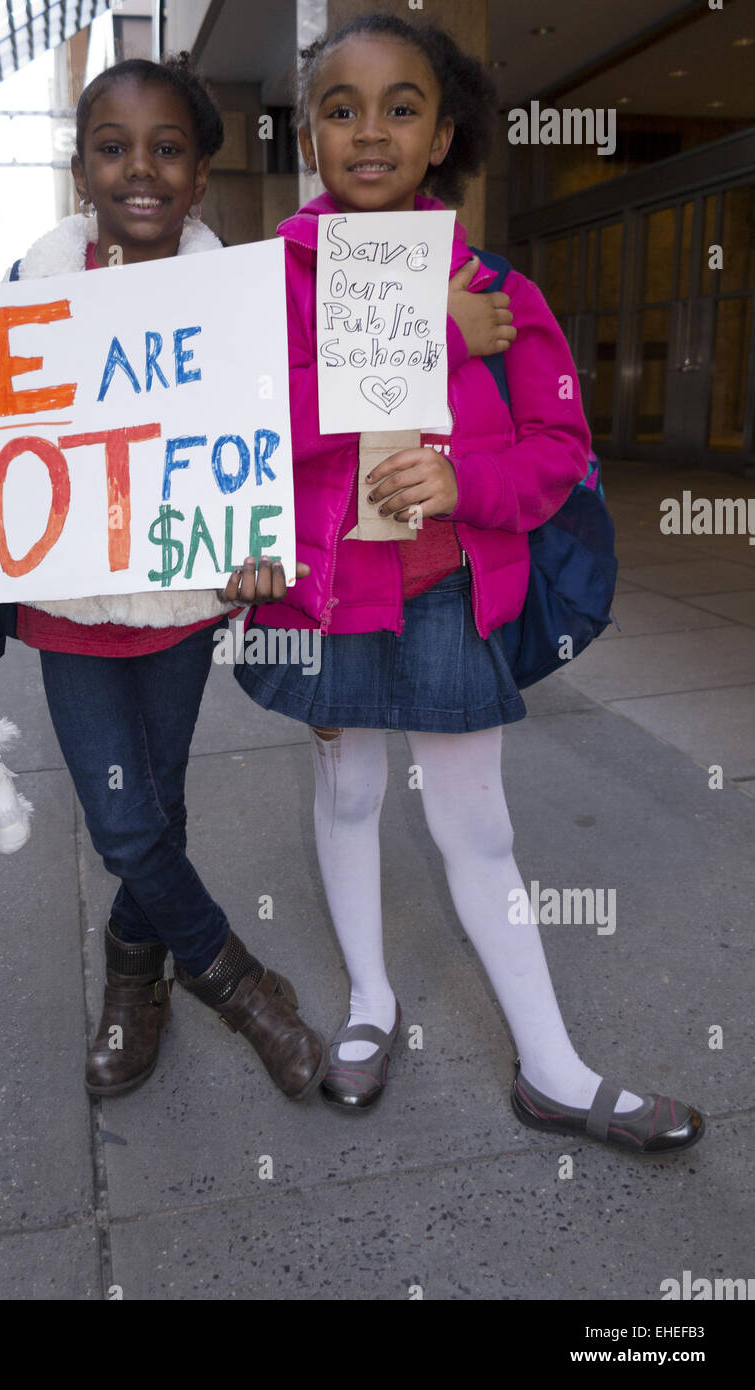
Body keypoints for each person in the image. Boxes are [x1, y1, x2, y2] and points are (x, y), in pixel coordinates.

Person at [233, 13, 704, 1154]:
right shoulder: (264, 287)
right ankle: (370, 1005)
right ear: (307, 134)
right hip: (323, 596)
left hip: (447, 593)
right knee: (346, 795)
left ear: (444, 134)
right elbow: (245, 421)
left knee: (475, 827)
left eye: (403, 107)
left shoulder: (501, 289)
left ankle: (551, 1065)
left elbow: (557, 451)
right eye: (340, 110)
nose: (371, 132)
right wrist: (418, 334)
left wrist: (459, 477)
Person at [0, 55, 328, 1103]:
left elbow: (264, 442)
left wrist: (265, 542)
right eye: (112, 148)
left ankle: (135, 988)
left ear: (203, 171)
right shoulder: (36, 284)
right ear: (80, 169)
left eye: (167, 148)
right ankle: (238, 982)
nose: (141, 169)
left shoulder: (235, 296)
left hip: (182, 602)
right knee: (125, 821)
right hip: (70, 604)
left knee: (158, 812)